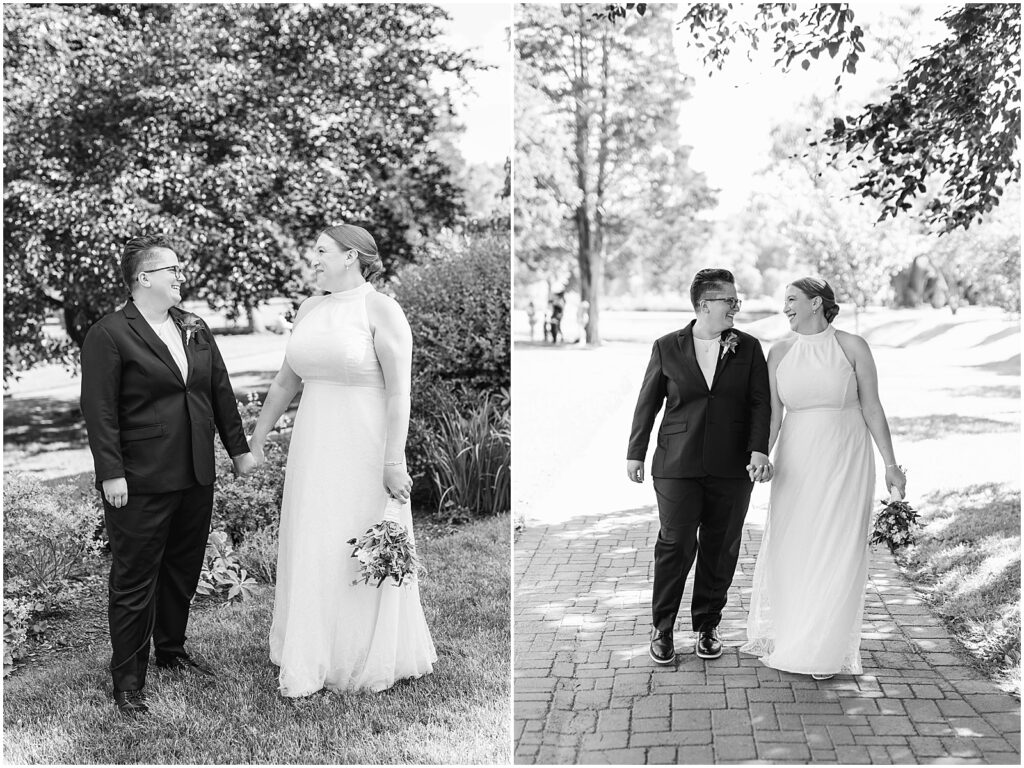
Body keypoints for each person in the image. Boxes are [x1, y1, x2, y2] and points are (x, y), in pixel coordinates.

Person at [249, 224, 436, 697]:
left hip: (365, 448)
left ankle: (361, 654)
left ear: (351, 256)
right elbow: (285, 382)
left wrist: (394, 462)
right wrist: (257, 439)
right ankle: (313, 649)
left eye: (320, 250)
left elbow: (400, 393)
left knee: (356, 545)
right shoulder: (310, 308)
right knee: (314, 541)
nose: (311, 258)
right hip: (314, 447)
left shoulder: (381, 309)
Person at [80, 234, 257, 717]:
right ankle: (129, 683)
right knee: (136, 579)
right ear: (144, 278)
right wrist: (111, 474)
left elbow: (218, 389)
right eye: (172, 270)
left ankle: (172, 653)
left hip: (196, 471)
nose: (180, 277)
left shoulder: (194, 326)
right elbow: (99, 411)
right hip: (139, 479)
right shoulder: (110, 334)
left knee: (182, 569)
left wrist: (238, 449)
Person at [740, 277, 906, 680]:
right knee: (795, 543)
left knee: (837, 545)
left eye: (792, 300)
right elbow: (774, 415)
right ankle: (795, 632)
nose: (785, 308)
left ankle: (823, 644)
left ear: (817, 303)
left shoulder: (852, 347)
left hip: (846, 455)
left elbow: (872, 407)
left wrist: (890, 463)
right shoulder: (779, 352)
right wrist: (760, 453)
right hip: (797, 458)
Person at [626, 269, 771, 665]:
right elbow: (648, 402)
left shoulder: (750, 348)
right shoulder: (666, 346)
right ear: (704, 305)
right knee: (675, 544)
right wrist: (635, 452)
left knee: (720, 547)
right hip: (676, 463)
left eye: (737, 301)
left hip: (731, 466)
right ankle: (662, 628)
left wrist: (759, 450)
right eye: (730, 301)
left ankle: (707, 626)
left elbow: (761, 403)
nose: (736, 307)